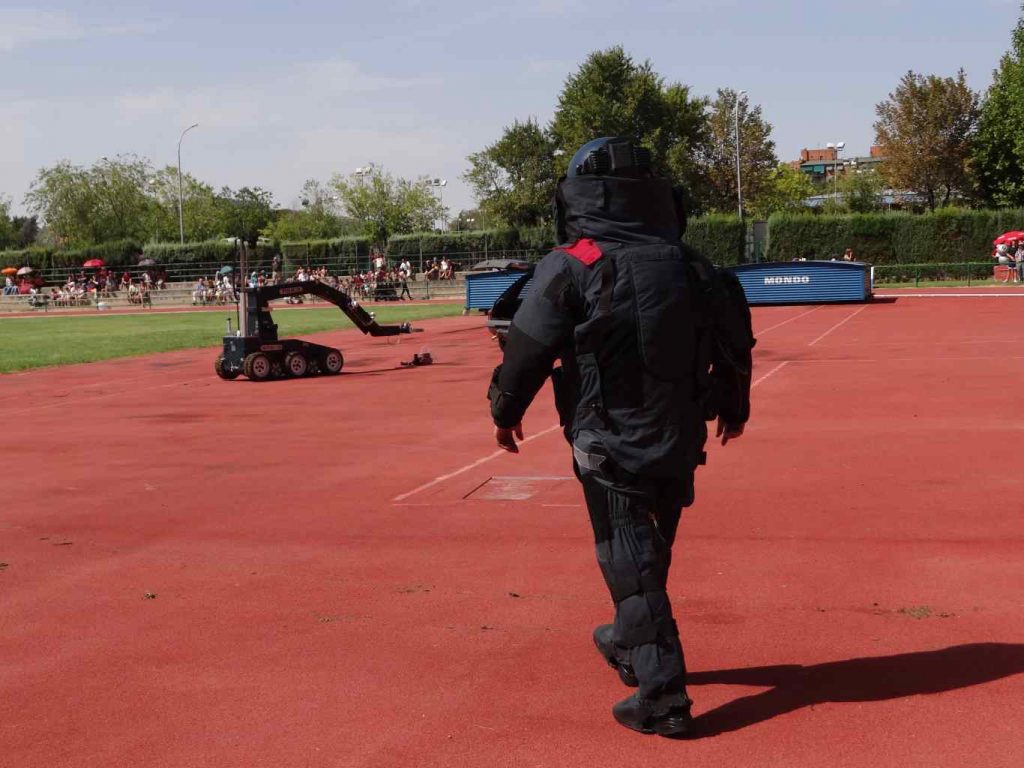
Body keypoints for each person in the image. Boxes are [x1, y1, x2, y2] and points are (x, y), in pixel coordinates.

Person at [487, 137, 755, 738]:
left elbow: (528, 349)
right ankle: (628, 642)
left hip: (609, 442)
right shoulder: (691, 263)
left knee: (631, 563)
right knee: (646, 556)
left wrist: (504, 411)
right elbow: (736, 342)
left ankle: (664, 699)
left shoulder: (573, 262)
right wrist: (735, 409)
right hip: (680, 438)